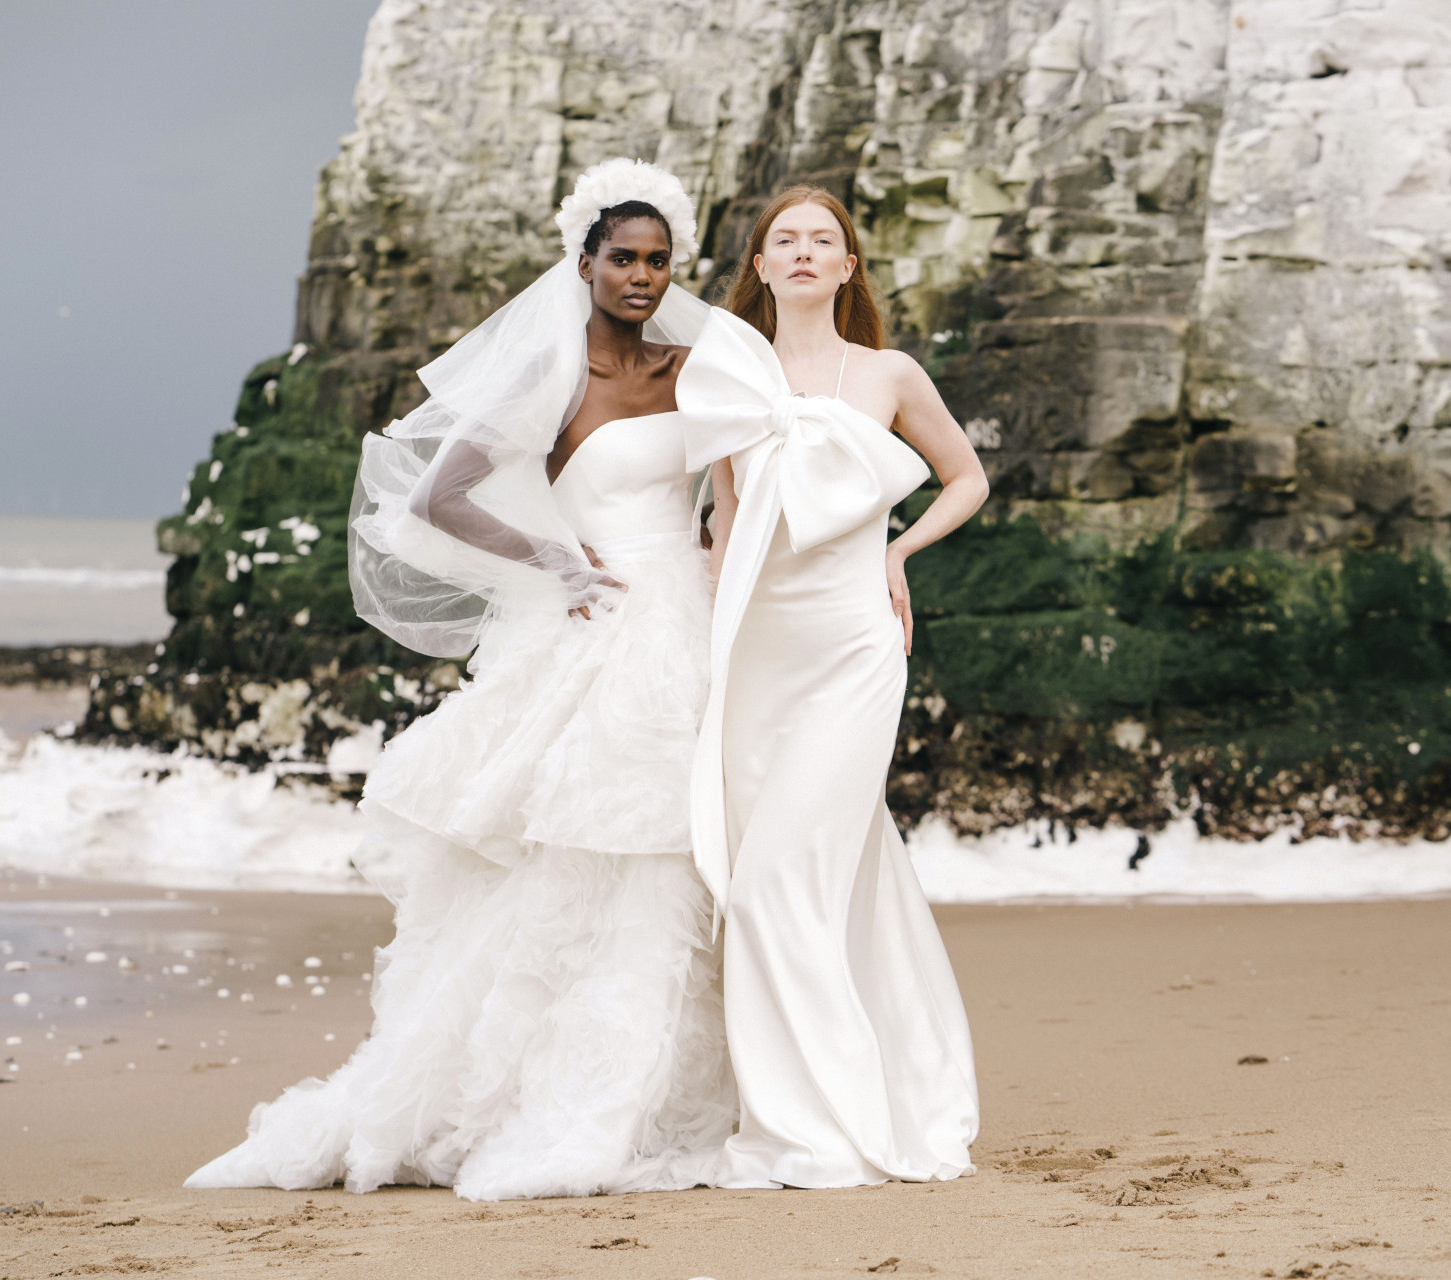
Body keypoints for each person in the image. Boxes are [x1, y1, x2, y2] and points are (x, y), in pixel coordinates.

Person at [186, 159, 736, 1201]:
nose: (643, 276)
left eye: (660, 261)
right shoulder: (556, 375)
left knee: (676, 864)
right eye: (624, 257)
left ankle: (663, 1095)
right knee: (577, 862)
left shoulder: (687, 369)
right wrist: (558, 560)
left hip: (689, 631)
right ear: (584, 262)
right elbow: (439, 495)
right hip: (603, 633)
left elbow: (743, 479)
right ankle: (543, 1101)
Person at [679, 186, 988, 1189]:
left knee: (775, 877)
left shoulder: (888, 371)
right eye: (786, 242)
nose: (805, 252)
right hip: (757, 649)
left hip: (856, 641)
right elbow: (725, 517)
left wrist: (901, 550)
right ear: (759, 267)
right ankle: (885, 1083)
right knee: (828, 877)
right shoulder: (726, 369)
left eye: (825, 241)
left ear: (848, 268)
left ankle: (818, 1127)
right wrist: (697, 636)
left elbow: (966, 477)